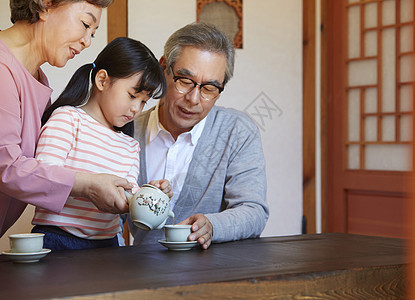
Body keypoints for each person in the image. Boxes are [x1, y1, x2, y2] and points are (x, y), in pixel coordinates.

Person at [128, 23, 269, 250]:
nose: (194, 99)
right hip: (143, 271)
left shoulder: (238, 131)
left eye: (209, 88)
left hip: (212, 274)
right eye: (185, 81)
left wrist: (212, 225)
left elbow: (254, 212)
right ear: (164, 67)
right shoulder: (128, 130)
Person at [0, 0, 132, 238]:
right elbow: (6, 168)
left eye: (93, 33)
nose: (87, 41)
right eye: (85, 24)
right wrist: (88, 185)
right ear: (45, 5)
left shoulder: (38, 78)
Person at [30, 37, 172, 250]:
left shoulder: (130, 145)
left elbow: (127, 198)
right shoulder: (68, 119)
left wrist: (149, 194)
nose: (136, 108)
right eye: (132, 95)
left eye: (144, 101)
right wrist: (88, 186)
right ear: (102, 80)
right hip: (58, 239)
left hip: (109, 243)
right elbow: (41, 178)